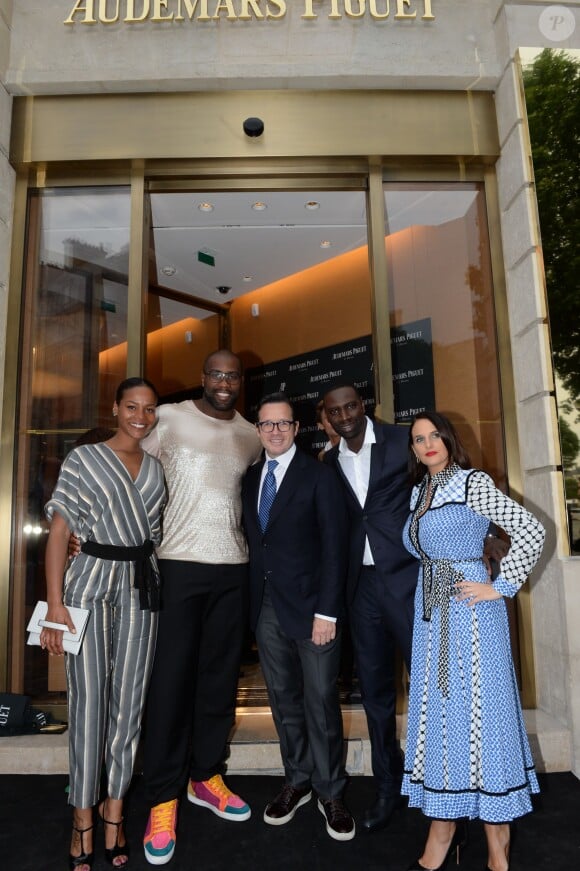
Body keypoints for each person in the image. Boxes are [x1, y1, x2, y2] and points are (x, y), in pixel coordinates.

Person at [402, 412, 545, 871]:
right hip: (432, 613)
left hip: (471, 613)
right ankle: (444, 825)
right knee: (444, 714)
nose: (427, 445)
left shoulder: (471, 483)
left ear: (448, 438)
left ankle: (497, 836)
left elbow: (531, 530)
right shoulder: (419, 492)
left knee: (483, 715)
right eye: (418, 439)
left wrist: (500, 587)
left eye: (433, 436)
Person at [140, 349, 262, 866]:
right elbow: (127, 464)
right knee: (170, 685)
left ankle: (206, 777)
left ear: (240, 381)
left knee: (217, 681)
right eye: (216, 374)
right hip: (177, 566)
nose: (224, 382)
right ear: (204, 377)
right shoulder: (168, 418)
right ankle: (163, 798)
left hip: (233, 568)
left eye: (232, 376)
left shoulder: (251, 436)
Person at [41, 378, 166, 871]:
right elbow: (59, 533)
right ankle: (83, 817)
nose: (141, 416)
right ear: (115, 407)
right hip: (87, 585)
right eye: (132, 406)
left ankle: (115, 811)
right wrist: (55, 605)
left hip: (140, 586)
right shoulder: (84, 459)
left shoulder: (156, 469)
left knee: (129, 705)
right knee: (88, 703)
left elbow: (151, 536)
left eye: (150, 409)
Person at [241, 393, 355, 841]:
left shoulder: (319, 476)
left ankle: (331, 791)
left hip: (314, 611)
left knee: (321, 702)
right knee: (283, 700)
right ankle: (298, 780)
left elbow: (335, 549)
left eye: (283, 424)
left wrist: (328, 612)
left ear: (296, 428)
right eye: (267, 424)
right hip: (266, 607)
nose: (274, 431)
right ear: (258, 429)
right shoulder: (250, 479)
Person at [322, 382, 419, 833]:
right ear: (327, 416)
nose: (344, 416)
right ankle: (388, 786)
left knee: (430, 687)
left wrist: (487, 534)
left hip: (412, 581)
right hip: (362, 591)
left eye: (351, 406)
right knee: (377, 695)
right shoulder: (328, 462)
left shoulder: (404, 440)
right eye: (335, 411)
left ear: (365, 406)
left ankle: (439, 781)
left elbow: (452, 479)